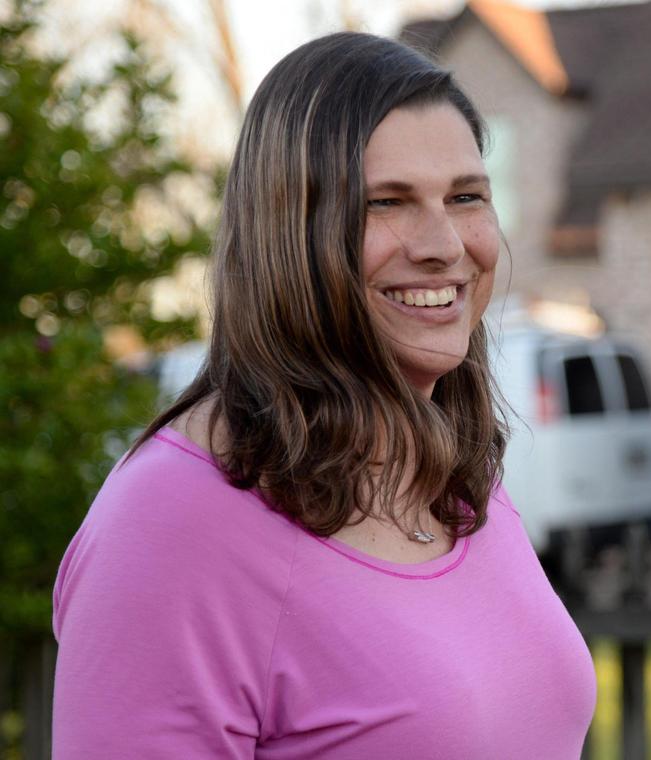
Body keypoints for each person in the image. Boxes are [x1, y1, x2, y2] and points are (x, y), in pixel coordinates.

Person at [51, 32, 597, 759]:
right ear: (288, 232)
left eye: (466, 195)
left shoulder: (454, 475)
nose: (443, 244)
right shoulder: (172, 523)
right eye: (386, 202)